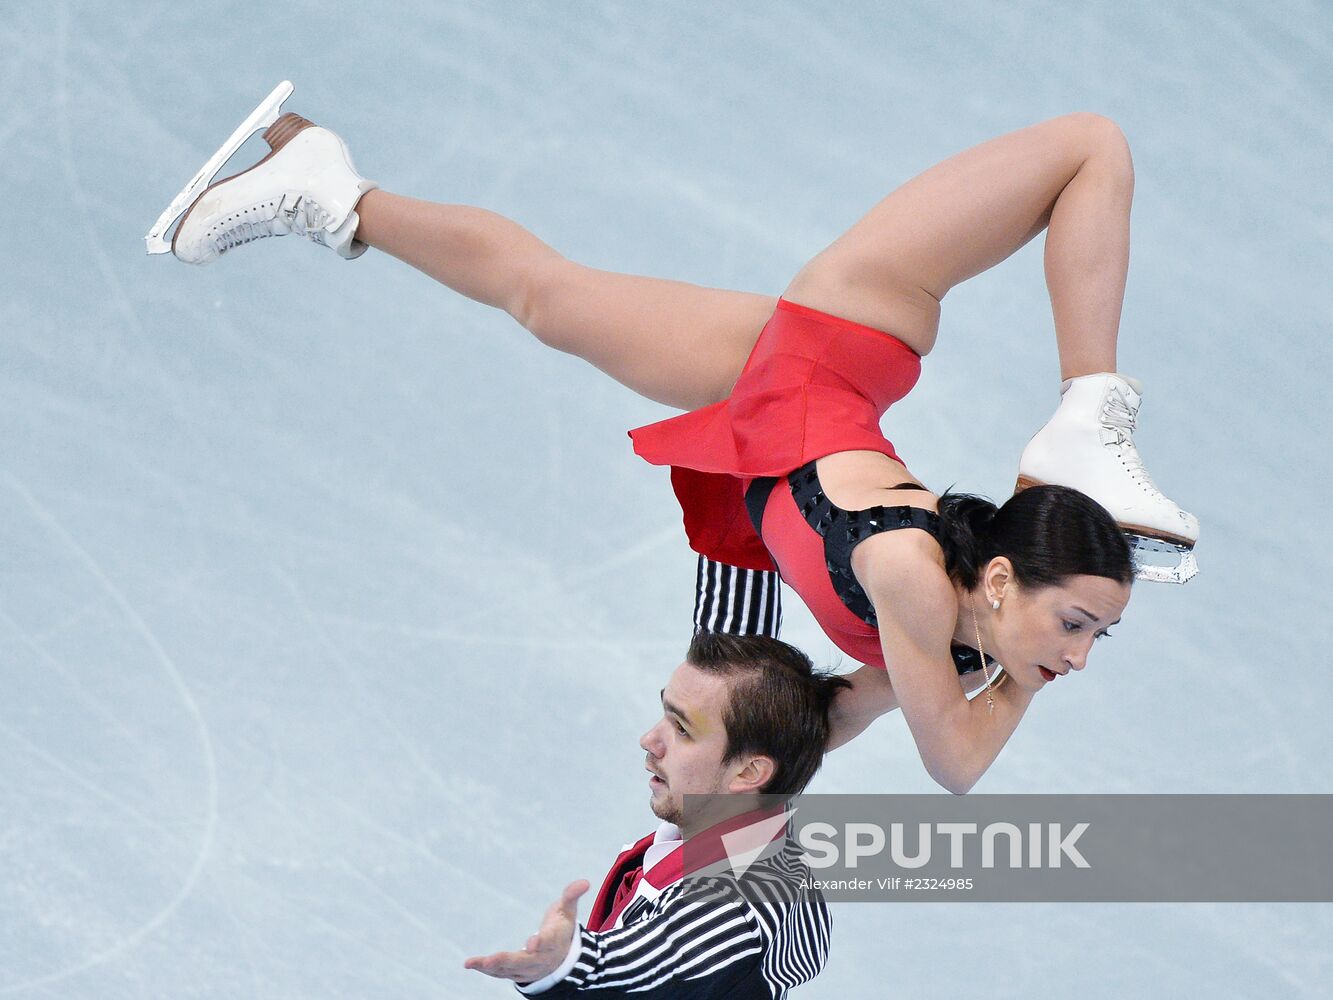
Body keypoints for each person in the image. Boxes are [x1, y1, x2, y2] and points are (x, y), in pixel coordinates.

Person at [148, 86, 1198, 791]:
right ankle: (1088, 404)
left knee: (545, 296)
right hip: (841, 335)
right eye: (1074, 623)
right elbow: (956, 766)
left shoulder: (957, 639)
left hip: (797, 386)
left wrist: (732, 786)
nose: (1077, 656)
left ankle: (325, 185)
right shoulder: (920, 592)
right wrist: (1022, 669)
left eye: (1094, 636)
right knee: (1091, 144)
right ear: (1006, 580)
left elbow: (834, 717)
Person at [463, 631, 848, 997]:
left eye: (681, 729)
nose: (649, 739)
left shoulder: (746, 898)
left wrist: (569, 965)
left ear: (748, 772)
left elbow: (667, 951)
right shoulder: (747, 812)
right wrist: (736, 558)